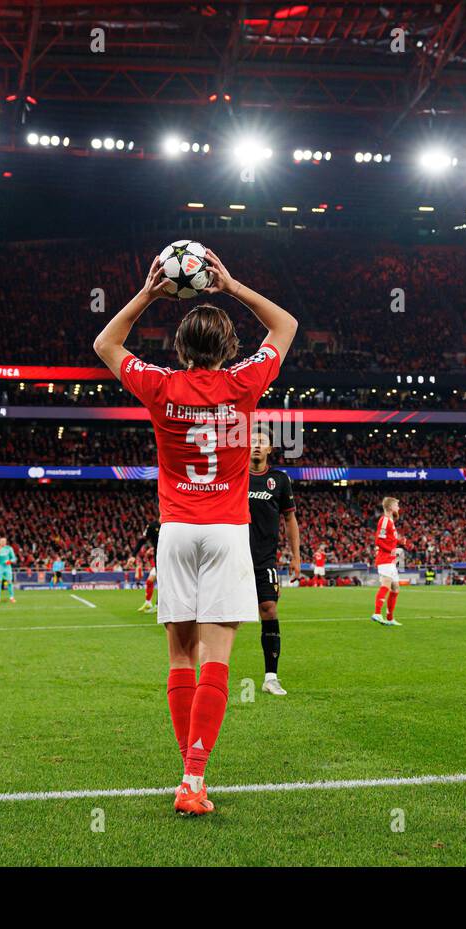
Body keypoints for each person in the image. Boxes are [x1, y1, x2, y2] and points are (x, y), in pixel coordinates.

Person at [93, 247, 297, 816]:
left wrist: (150, 293)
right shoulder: (243, 384)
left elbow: (105, 344)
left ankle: (188, 776)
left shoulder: (159, 386)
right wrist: (231, 286)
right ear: (229, 349)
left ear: (180, 349)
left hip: (176, 531)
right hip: (228, 531)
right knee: (217, 659)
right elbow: (286, 324)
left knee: (180, 658)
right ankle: (193, 778)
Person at [247, 426, 300, 696]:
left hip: (264, 560)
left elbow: (290, 519)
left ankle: (271, 677)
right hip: (231, 558)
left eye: (262, 441)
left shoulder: (279, 480)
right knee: (217, 615)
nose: (256, 444)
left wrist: (296, 556)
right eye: (252, 440)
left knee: (269, 608)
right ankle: (209, 675)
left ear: (269, 449)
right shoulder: (235, 477)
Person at [371, 497, 408, 627]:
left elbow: (388, 539)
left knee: (395, 588)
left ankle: (390, 618)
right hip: (385, 559)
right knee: (386, 585)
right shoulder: (385, 520)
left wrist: (399, 541)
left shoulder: (390, 521)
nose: (398, 508)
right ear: (391, 507)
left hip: (390, 560)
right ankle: (377, 613)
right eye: (397, 505)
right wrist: (392, 550)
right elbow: (378, 541)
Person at [135, 519, 160, 612]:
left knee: (162, 584)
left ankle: (158, 606)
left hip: (167, 561)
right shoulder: (153, 528)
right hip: (158, 563)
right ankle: (148, 603)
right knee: (149, 581)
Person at [0, 536, 17, 604]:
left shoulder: (9, 548)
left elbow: (14, 558)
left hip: (7, 567)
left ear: (6, 542)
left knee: (9, 582)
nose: (3, 542)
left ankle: (12, 598)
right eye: (1, 541)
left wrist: (9, 561)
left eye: (4, 541)